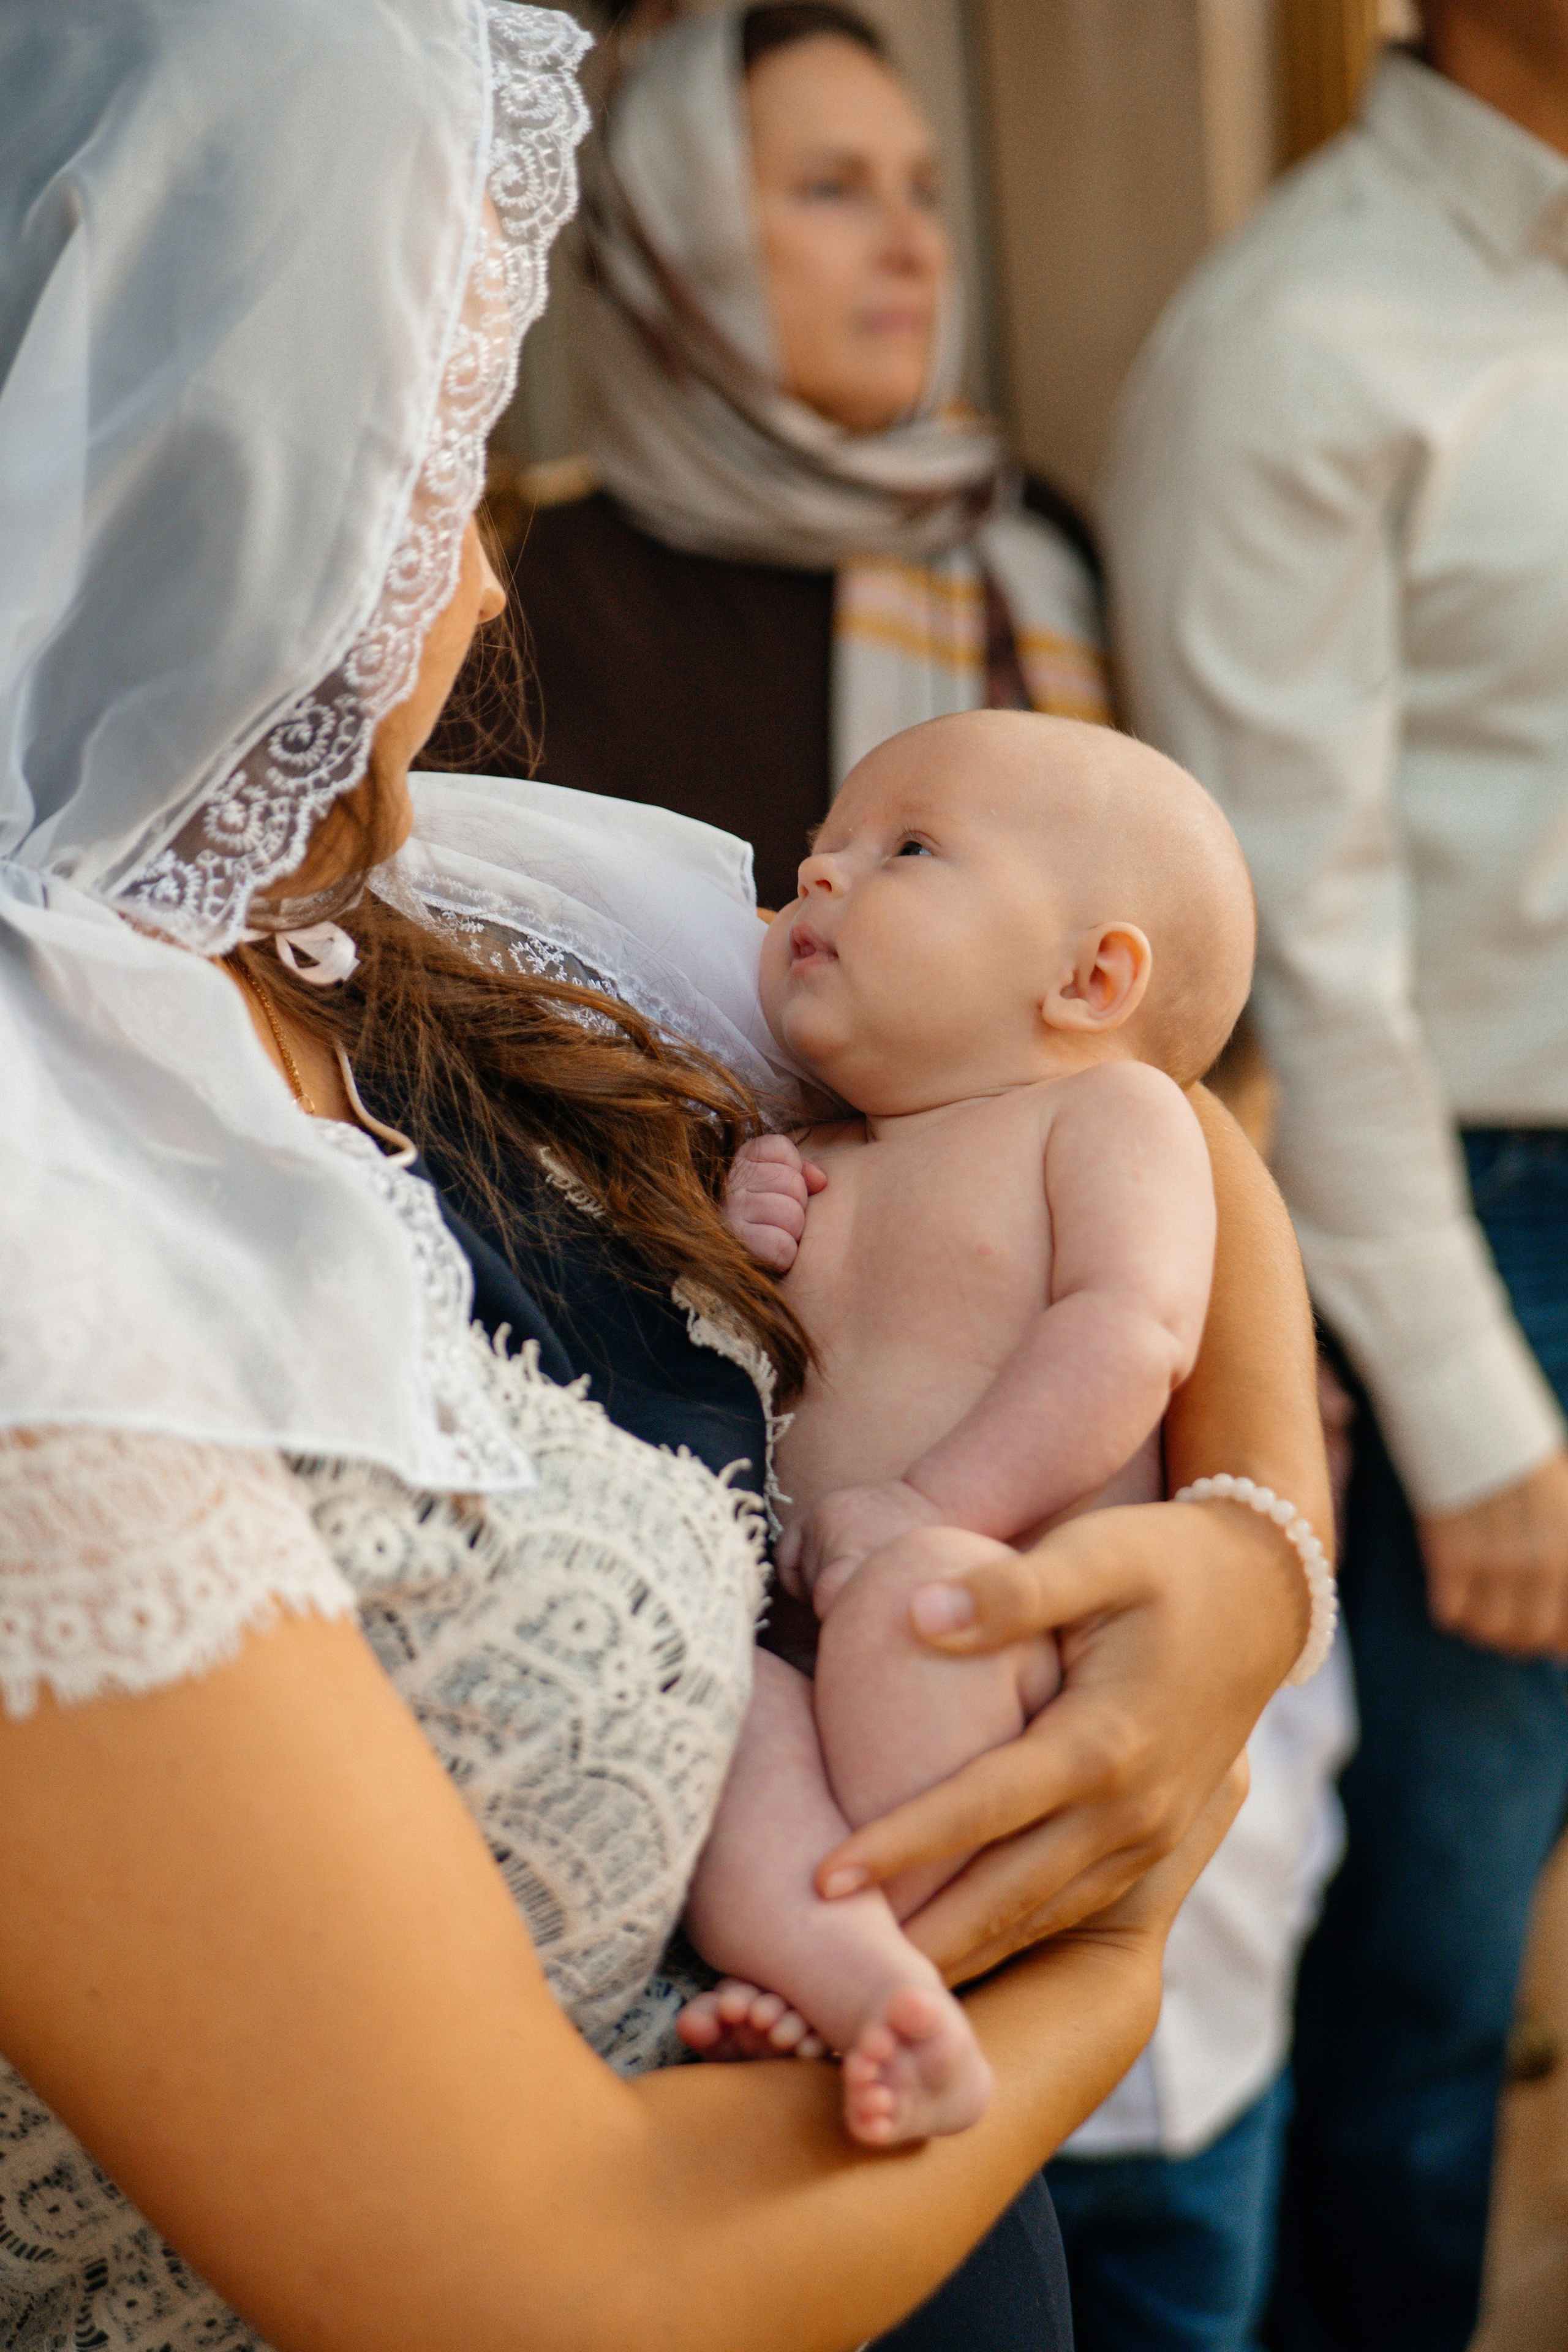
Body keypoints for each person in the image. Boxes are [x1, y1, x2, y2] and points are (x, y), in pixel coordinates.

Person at [0, 6, 1325, 2351]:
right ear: (197, 434)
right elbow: (542, 2278)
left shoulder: (465, 895)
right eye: (434, 469)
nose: (488, 587)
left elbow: (1123, 1117)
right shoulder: (47, 1211)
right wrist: (1117, 1956)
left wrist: (1254, 1560)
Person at [1102, 6, 1568, 2346]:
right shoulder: (1293, 337)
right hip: (1470, 1234)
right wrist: (1482, 1418)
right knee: (1422, 1978)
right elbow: (1305, 948)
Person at [676, 712, 1316, 2156]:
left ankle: (914, 1953)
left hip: (996, 1619)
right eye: (817, 853)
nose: (819, 879)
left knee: (920, 1605)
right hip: (796, 1629)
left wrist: (930, 1501)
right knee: (716, 1708)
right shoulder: (809, 1151)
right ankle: (849, 1974)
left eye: (901, 850)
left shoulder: (1112, 1117)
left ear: (1090, 979)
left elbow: (1127, 1336)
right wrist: (737, 1233)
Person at [448, 0, 1110, 912]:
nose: (911, 247)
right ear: (670, 237)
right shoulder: (523, 606)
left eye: (923, 190)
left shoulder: (1029, 534)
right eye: (830, 189)